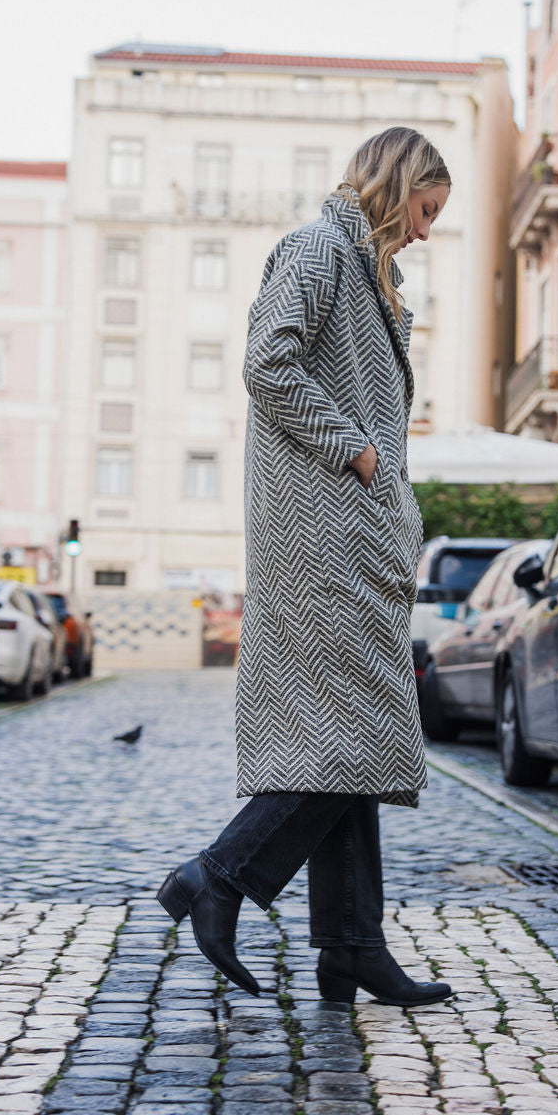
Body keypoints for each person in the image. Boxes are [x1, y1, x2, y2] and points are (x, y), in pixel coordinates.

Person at [158, 127, 453, 1008]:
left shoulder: (369, 275)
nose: (428, 231)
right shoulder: (318, 250)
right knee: (361, 733)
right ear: (395, 185)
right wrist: (359, 453)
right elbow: (268, 365)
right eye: (425, 210)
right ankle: (219, 874)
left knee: (345, 741)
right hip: (321, 538)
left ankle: (352, 946)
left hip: (349, 537)